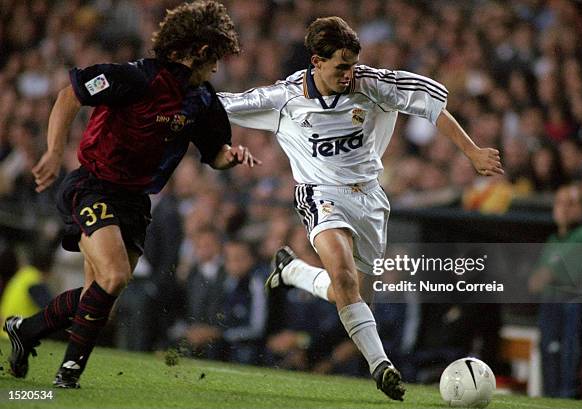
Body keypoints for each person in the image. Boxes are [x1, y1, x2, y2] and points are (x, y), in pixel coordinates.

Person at [219, 16, 503, 401]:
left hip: (369, 198)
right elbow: (220, 105)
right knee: (346, 279)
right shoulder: (284, 98)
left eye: (353, 64)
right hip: (320, 193)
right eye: (340, 66)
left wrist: (471, 151)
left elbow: (431, 105)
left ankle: (295, 271)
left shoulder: (373, 84)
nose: (349, 74)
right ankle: (381, 366)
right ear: (316, 62)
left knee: (349, 295)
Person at [3, 0, 259, 389]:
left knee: (101, 297)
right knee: (115, 275)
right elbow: (69, 96)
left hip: (136, 201)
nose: (217, 66)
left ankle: (27, 330)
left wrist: (232, 156)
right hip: (94, 185)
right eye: (215, 56)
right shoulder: (135, 77)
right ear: (197, 52)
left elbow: (215, 154)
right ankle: (67, 376)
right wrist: (54, 152)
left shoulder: (203, 101)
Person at [528, 184, 582, 398]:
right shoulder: (553, 240)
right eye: (560, 203)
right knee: (549, 355)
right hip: (549, 305)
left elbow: (568, 275)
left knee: (569, 356)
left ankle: (567, 397)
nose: (564, 209)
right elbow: (535, 282)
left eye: (571, 204)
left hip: (572, 305)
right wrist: (548, 275)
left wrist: (549, 274)